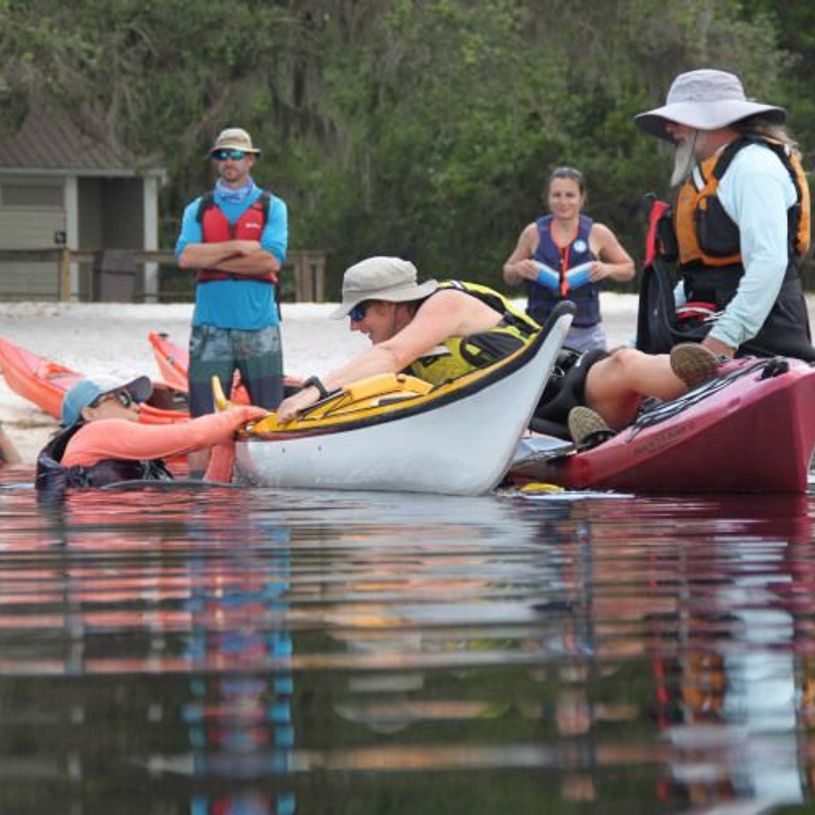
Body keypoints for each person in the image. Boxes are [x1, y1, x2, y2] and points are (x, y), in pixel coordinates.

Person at [275, 256, 720, 443]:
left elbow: (387, 357)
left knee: (622, 362)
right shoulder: (397, 351)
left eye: (360, 314)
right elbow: (366, 385)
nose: (355, 326)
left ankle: (708, 380)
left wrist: (314, 388)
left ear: (393, 303)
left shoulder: (444, 303)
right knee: (524, 441)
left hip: (566, 387)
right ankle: (580, 440)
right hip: (519, 428)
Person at [634, 68, 815, 361]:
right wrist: (641, 338)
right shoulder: (713, 173)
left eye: (677, 119)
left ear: (711, 119)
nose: (669, 128)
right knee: (616, 364)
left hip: (762, 335)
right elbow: (699, 280)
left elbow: (769, 261)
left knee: (623, 370)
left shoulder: (753, 167)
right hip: (709, 322)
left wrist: (725, 338)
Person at [175, 126, 288, 472]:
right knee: (202, 419)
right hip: (210, 330)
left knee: (270, 414)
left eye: (236, 154)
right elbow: (185, 257)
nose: (229, 161)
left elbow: (270, 260)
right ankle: (201, 491)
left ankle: (271, 482)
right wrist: (239, 247)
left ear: (251, 160)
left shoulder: (273, 207)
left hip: (260, 327)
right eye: (222, 155)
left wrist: (210, 255)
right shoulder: (198, 208)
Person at [35, 375, 266, 493]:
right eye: (124, 399)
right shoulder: (95, 432)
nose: (137, 407)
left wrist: (223, 444)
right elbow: (194, 435)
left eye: (135, 400)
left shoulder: (130, 454)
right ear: (89, 413)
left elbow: (214, 493)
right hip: (109, 547)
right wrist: (241, 414)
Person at [502, 166, 635, 352]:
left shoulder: (598, 233)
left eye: (570, 195)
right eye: (556, 195)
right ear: (548, 198)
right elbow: (508, 273)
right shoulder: (533, 233)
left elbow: (629, 268)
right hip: (539, 333)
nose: (563, 202)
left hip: (586, 336)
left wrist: (607, 269)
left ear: (582, 198)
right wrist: (518, 269)